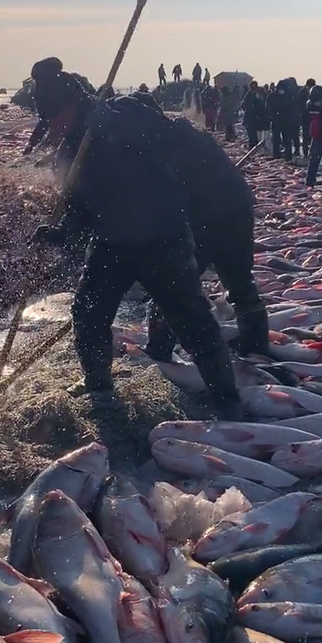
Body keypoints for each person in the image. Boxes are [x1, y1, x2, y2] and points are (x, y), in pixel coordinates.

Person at [30, 70, 244, 417]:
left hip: (161, 235)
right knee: (88, 313)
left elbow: (169, 135)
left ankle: (226, 397)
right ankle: (98, 385)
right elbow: (78, 207)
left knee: (190, 319)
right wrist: (61, 232)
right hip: (111, 244)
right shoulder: (71, 147)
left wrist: (115, 125)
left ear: (71, 105)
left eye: (54, 116)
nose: (52, 125)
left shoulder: (123, 111)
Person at [267, 80, 295, 161]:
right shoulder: (271, 96)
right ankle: (277, 154)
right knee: (276, 139)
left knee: (286, 139)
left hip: (286, 121)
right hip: (276, 120)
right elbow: (268, 108)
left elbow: (292, 108)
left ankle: (288, 155)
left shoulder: (288, 96)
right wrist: (271, 116)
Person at [242, 80, 267, 148]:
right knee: (255, 132)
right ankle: (255, 145)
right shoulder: (259, 92)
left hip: (253, 116)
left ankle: (255, 145)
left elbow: (244, 104)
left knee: (253, 132)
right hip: (257, 116)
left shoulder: (252, 93)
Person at [298, 78, 316, 158]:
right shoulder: (302, 93)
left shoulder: (315, 93)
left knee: (313, 135)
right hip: (305, 117)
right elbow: (299, 105)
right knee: (305, 135)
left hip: (313, 117)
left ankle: (312, 152)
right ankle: (305, 152)